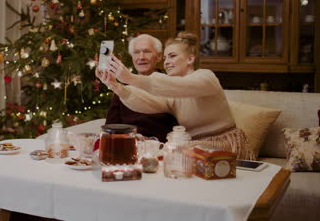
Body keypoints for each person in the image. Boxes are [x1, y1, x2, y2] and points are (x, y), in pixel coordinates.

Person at [96, 31, 252, 159]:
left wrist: (129, 78)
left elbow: (179, 87)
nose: (166, 62)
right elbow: (146, 101)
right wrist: (115, 85)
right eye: (164, 58)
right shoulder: (171, 91)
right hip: (196, 148)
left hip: (224, 146)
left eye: (172, 56)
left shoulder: (206, 77)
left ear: (190, 59)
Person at [105, 34, 178, 143]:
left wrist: (152, 141)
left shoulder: (169, 84)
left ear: (158, 56)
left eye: (147, 51)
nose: (141, 57)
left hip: (160, 147)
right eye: (136, 52)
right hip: (128, 145)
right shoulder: (121, 87)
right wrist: (131, 137)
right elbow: (110, 127)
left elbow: (178, 128)